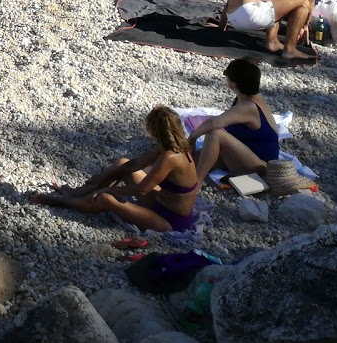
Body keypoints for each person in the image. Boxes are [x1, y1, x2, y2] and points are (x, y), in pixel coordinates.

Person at [30, 107, 202, 234]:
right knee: (123, 163)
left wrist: (106, 189)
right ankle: (79, 192)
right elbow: (134, 165)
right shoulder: (171, 147)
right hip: (160, 202)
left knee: (106, 198)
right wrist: (103, 177)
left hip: (170, 221)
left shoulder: (170, 157)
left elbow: (141, 189)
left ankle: (59, 201)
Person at [193, 58, 284, 182]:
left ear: (234, 83)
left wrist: (191, 138)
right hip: (246, 154)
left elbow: (214, 123)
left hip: (260, 166)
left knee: (215, 134)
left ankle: (195, 184)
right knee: (186, 159)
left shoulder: (249, 106)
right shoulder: (249, 99)